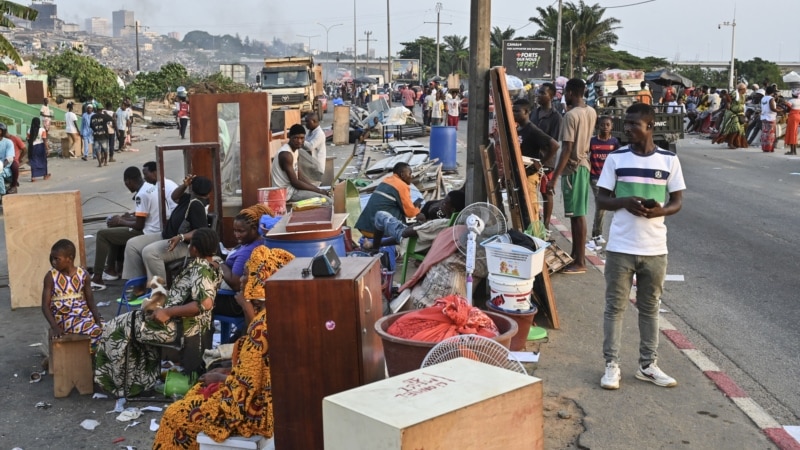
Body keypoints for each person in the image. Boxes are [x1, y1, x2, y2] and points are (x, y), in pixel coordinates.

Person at [152, 244, 291, 449]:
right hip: (265, 401)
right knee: (198, 390)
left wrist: (219, 377)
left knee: (175, 416)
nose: (242, 280)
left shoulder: (262, 327)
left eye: (247, 274)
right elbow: (256, 371)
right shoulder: (278, 313)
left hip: (254, 412)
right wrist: (227, 370)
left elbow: (248, 388)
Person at [596, 102, 685, 390]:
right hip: (621, 246)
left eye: (634, 123)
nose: (628, 128)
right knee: (615, 308)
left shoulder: (669, 160)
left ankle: (648, 365)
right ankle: (612, 365)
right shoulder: (616, 158)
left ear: (650, 126)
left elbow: (677, 202)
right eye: (627, 122)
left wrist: (660, 211)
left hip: (655, 249)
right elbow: (601, 200)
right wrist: (624, 202)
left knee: (650, 309)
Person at [94, 228, 224, 398]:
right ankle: (139, 382)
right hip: (181, 322)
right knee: (133, 321)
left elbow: (205, 303)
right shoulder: (214, 265)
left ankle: (114, 384)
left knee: (115, 328)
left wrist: (168, 311)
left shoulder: (201, 269)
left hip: (179, 327)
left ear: (194, 249)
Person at [121, 175, 211, 283]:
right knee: (132, 244)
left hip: (184, 245)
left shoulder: (198, 205)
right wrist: (184, 185)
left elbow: (200, 231)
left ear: (193, 188)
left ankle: (160, 292)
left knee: (150, 253)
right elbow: (174, 197)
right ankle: (137, 285)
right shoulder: (189, 198)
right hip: (166, 236)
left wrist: (181, 237)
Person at [550, 78, 597, 274]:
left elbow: (567, 148)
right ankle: (576, 255)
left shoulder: (570, 116)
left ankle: (580, 262)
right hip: (584, 165)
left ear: (570, 93)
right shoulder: (591, 111)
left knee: (577, 216)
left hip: (573, 169)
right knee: (577, 214)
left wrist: (555, 177)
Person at [90, 167, 161, 291]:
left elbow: (139, 225)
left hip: (146, 232)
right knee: (114, 230)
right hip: (155, 227)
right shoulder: (151, 188)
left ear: (128, 181)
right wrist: (124, 220)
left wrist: (121, 221)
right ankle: (111, 270)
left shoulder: (141, 195)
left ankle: (97, 278)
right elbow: (143, 218)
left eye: (126, 184)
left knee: (102, 234)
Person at [214, 204, 280, 318]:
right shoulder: (251, 242)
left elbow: (235, 283)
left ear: (254, 229)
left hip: (233, 302)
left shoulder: (249, 251)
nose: (236, 235)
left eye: (241, 231)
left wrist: (219, 263)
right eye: (235, 231)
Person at [41, 239, 103, 349]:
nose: (53, 262)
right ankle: (90, 359)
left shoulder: (83, 274)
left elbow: (90, 301)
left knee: (106, 329)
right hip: (64, 317)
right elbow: (45, 306)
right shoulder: (51, 277)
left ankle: (90, 355)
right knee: (96, 332)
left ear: (69, 258)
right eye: (52, 258)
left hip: (82, 314)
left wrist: (97, 318)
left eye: (57, 259)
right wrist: (54, 326)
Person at [512, 98, 559, 233]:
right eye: (513, 111)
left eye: (517, 111)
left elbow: (554, 145)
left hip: (530, 175)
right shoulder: (518, 128)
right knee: (521, 206)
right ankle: (527, 233)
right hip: (520, 173)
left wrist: (541, 163)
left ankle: (536, 236)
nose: (514, 114)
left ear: (526, 112)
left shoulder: (532, 129)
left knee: (531, 207)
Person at [355, 162, 426, 249]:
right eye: (410, 173)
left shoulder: (386, 180)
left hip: (364, 227)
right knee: (409, 226)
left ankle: (372, 244)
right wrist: (419, 212)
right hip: (374, 230)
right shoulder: (401, 185)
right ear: (402, 174)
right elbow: (410, 213)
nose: (411, 176)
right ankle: (393, 246)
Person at [372, 189, 465, 245]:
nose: (441, 204)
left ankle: (374, 249)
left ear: (452, 209)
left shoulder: (438, 224)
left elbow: (405, 233)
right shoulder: (456, 222)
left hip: (412, 243)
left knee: (381, 215)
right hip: (422, 241)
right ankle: (374, 245)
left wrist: (421, 223)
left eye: (444, 203)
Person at [530, 82, 563, 232]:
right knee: (530, 192)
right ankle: (533, 222)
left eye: (542, 93)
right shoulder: (534, 113)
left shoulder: (556, 117)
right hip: (531, 158)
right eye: (538, 92)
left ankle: (546, 225)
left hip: (546, 161)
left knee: (546, 192)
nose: (538, 95)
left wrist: (543, 160)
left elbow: (554, 143)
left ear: (551, 96)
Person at [586, 116, 621, 252]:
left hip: (610, 179)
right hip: (596, 178)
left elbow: (618, 159)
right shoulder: (592, 142)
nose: (605, 127)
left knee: (609, 206)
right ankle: (596, 235)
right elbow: (585, 155)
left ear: (611, 127)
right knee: (601, 205)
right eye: (602, 125)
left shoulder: (614, 143)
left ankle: (600, 234)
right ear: (598, 126)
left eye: (608, 125)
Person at [270, 124, 330, 202]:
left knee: (324, 196)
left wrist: (317, 189)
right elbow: (295, 182)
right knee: (326, 201)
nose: (299, 141)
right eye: (296, 138)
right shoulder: (286, 154)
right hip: (286, 194)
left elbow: (300, 177)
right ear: (289, 137)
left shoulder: (296, 151)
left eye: (302, 138)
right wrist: (319, 191)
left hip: (292, 190)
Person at [712, 83, 748, 149]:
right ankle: (730, 143)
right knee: (735, 128)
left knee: (740, 129)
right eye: (745, 89)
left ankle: (736, 142)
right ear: (741, 89)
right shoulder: (735, 93)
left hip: (740, 114)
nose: (746, 90)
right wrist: (728, 103)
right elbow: (726, 97)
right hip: (732, 114)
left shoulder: (743, 95)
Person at [300, 112, 326, 184]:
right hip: (311, 165)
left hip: (317, 167)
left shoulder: (319, 134)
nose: (306, 124)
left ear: (313, 121)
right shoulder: (311, 132)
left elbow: (310, 146)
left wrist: (300, 140)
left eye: (307, 122)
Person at [26, 117, 50, 182]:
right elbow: (44, 140)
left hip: (32, 147)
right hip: (41, 146)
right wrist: (47, 149)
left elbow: (28, 140)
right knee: (43, 161)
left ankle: (33, 177)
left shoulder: (29, 130)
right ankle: (45, 175)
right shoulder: (42, 130)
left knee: (33, 161)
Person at [760, 85, 780, 153]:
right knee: (770, 134)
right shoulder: (771, 98)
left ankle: (764, 148)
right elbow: (772, 108)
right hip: (770, 118)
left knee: (765, 133)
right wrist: (780, 111)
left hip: (764, 117)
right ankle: (769, 148)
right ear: (772, 92)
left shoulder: (763, 98)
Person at [0, 124, 16, 196]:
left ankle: (2, 195)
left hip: (5, 168)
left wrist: (2, 165)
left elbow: (9, 158)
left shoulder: (8, 142)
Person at [784, 89, 800, 155]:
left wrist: (784, 104)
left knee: (791, 133)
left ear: (793, 94)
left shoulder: (791, 101)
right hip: (798, 116)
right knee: (795, 133)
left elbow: (788, 109)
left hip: (792, 117)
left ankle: (792, 151)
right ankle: (794, 151)